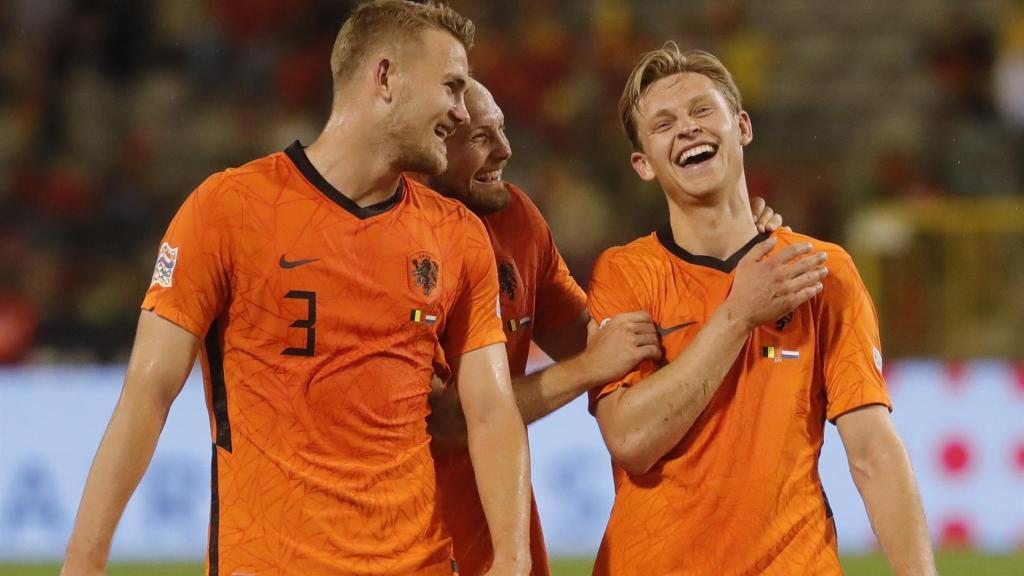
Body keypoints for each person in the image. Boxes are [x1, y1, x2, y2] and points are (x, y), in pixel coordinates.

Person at [60, 3, 532, 576]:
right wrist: (84, 563)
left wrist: (512, 558)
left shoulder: (456, 235)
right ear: (385, 78)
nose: (461, 112)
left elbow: (491, 414)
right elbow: (147, 393)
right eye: (452, 87)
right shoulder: (229, 209)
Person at [587, 44, 936, 575]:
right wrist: (736, 315)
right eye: (663, 124)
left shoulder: (823, 272)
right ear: (643, 165)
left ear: (742, 127)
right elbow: (632, 441)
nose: (687, 129)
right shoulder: (625, 274)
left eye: (703, 110)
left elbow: (872, 448)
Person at [423, 79, 786, 576]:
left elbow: (610, 337)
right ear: (433, 145)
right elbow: (447, 423)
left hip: (502, 530)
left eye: (502, 129)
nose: (505, 150)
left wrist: (732, 243)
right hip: (419, 530)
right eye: (479, 138)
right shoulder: (403, 244)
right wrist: (588, 369)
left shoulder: (516, 221)